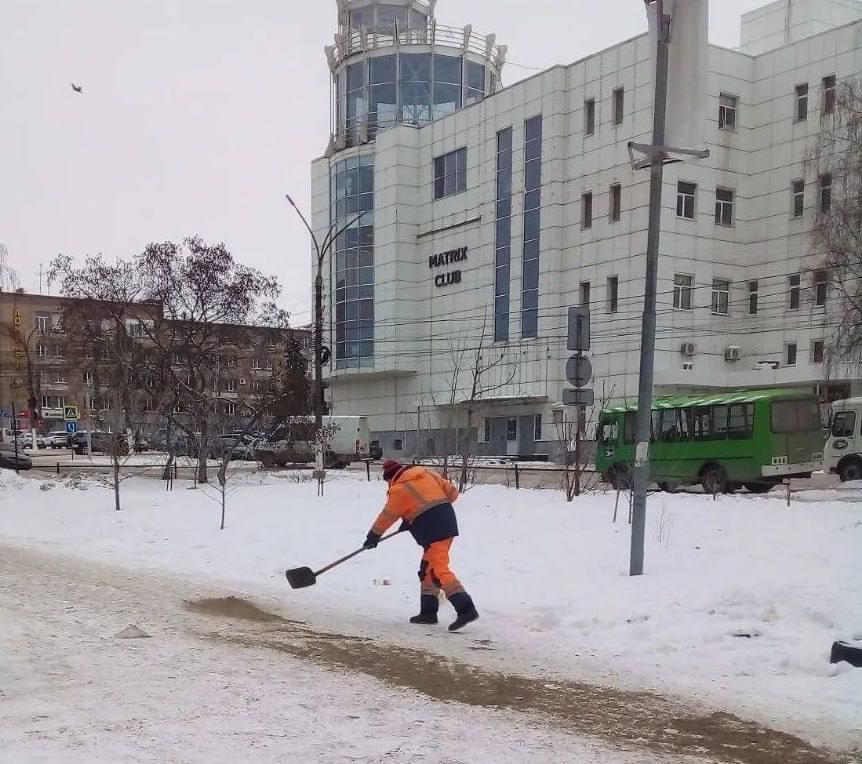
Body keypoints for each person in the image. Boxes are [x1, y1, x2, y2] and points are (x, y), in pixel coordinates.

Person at [363, 459, 479, 632]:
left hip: (433, 529)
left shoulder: (399, 489)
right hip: (446, 521)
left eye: (387, 482)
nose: (388, 485)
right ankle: (428, 612)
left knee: (438, 569)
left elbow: (387, 516)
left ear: (390, 477)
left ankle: (466, 609)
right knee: (428, 568)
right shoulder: (427, 474)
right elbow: (452, 494)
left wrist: (373, 537)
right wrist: (415, 513)